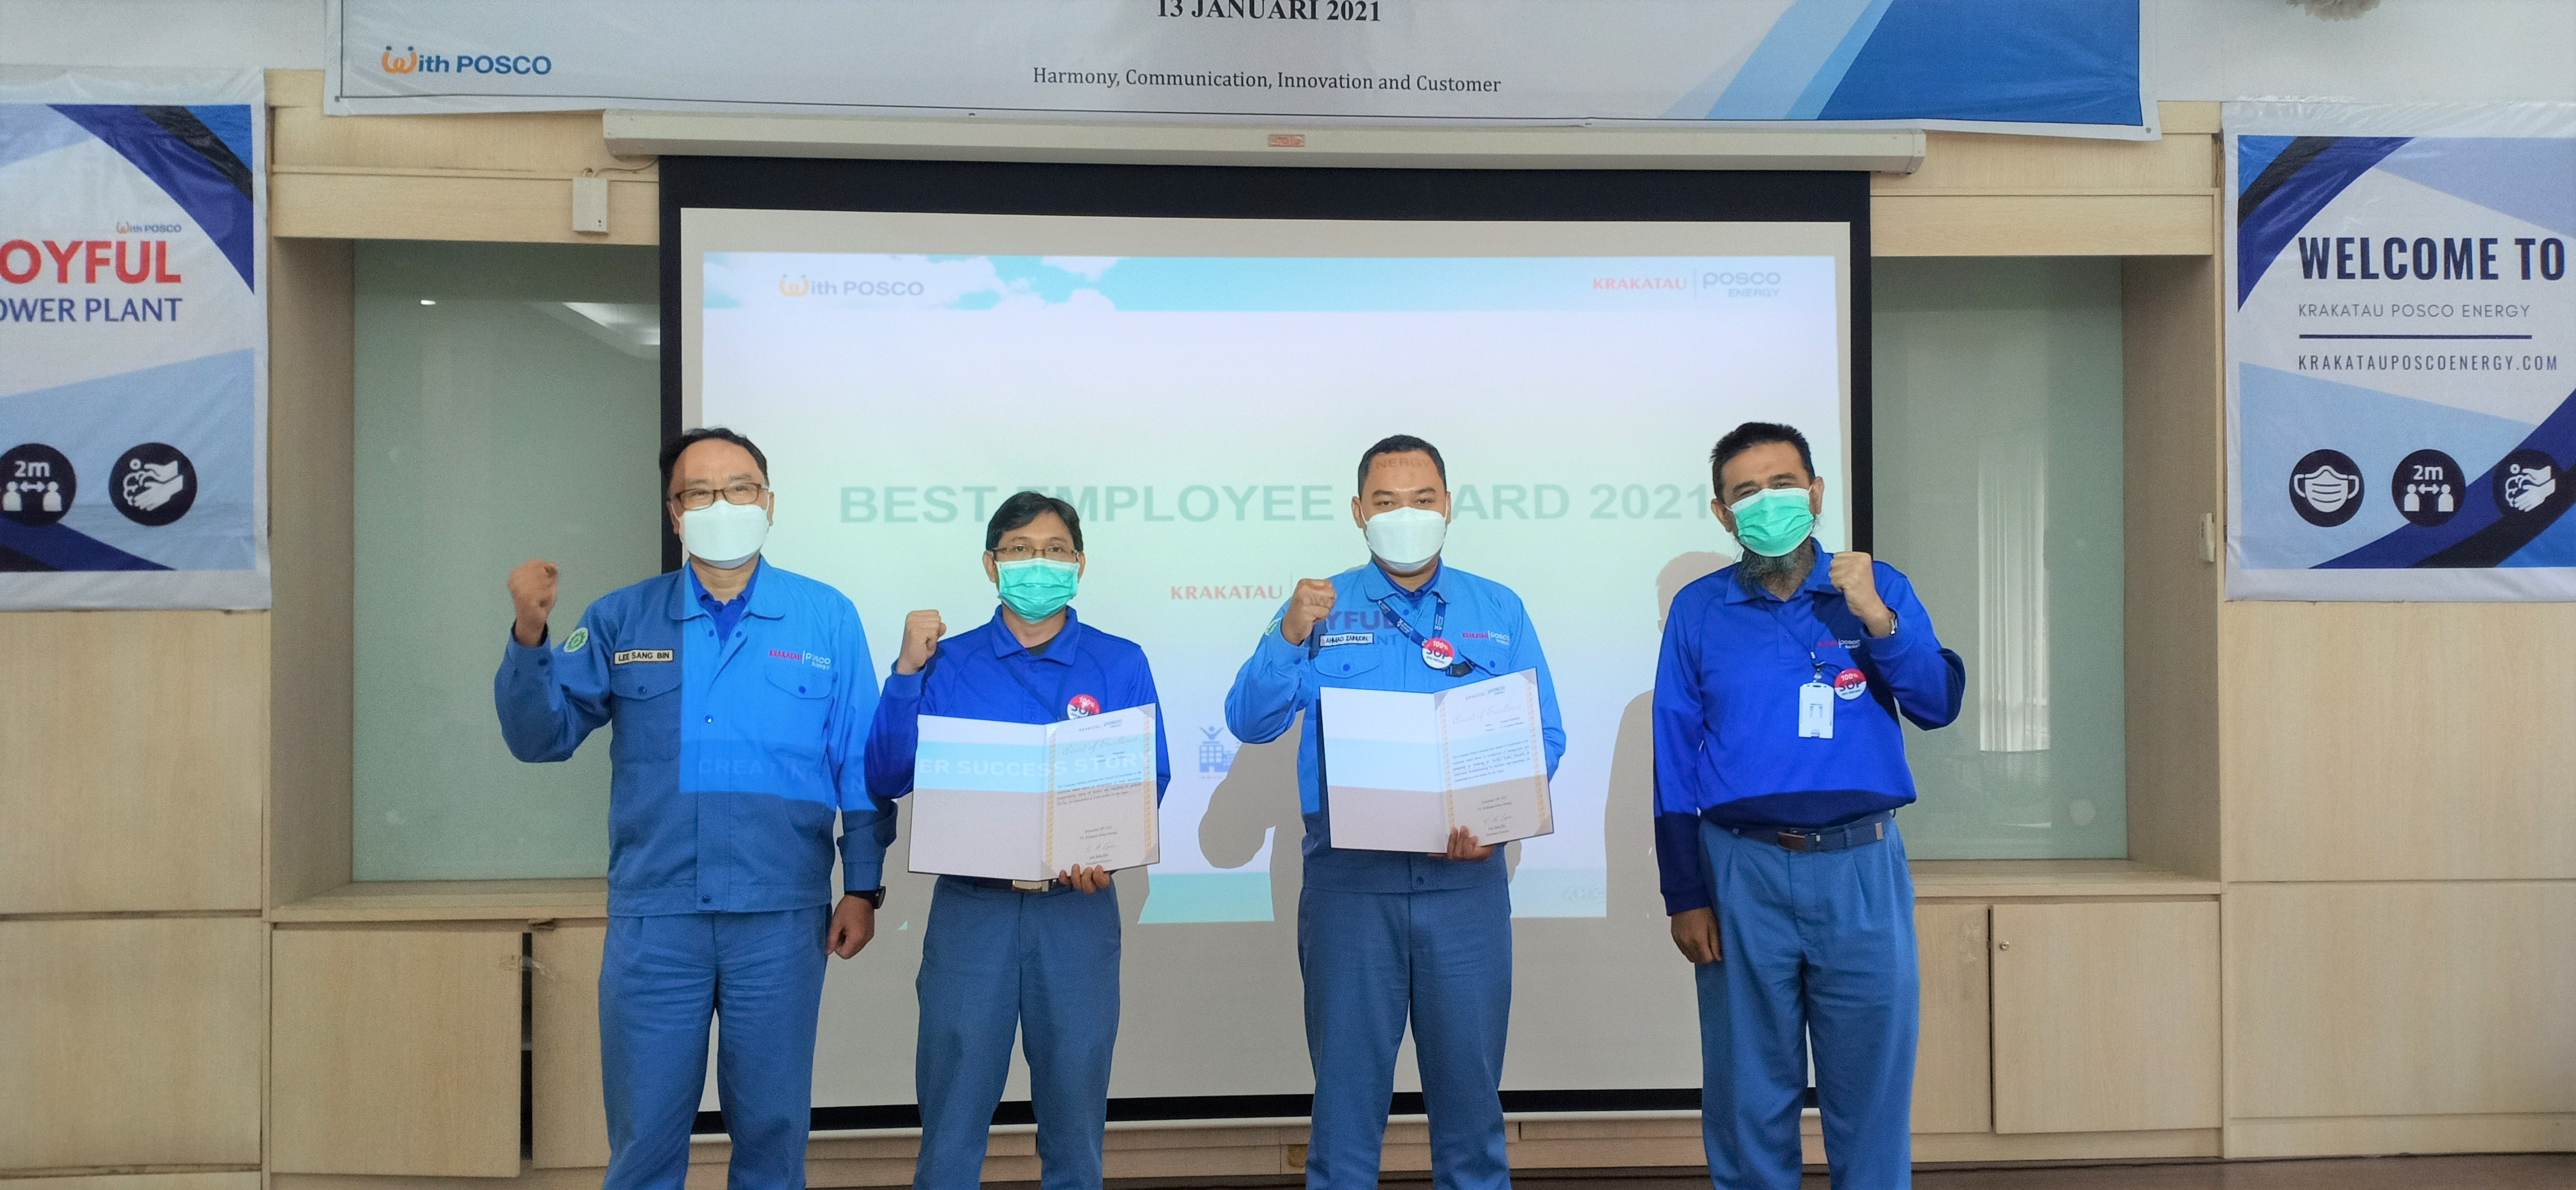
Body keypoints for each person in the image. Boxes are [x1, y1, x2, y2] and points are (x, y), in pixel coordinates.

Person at [495, 426, 887, 1190]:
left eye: (739, 489)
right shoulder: (621, 618)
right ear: (675, 513)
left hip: (780, 914)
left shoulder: (826, 617)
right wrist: (530, 635)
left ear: (769, 502)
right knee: (644, 1137)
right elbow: (540, 739)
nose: (722, 505)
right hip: (657, 915)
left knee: (772, 1134)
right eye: (700, 493)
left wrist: (864, 886)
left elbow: (858, 762)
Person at [1225, 435, 1565, 1190]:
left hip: (1466, 883)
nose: (1405, 515)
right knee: (1345, 1121)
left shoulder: (1498, 608)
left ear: (1448, 506)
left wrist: (1497, 817)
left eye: (1421, 500)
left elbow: (1543, 735)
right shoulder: (1318, 605)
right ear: (1358, 512)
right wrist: (1288, 633)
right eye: (1386, 502)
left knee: (1472, 1119)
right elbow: (1250, 720)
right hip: (1351, 885)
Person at [1652, 422, 1964, 1190]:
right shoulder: (1699, 609)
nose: (1767, 503)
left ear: (1817, 493)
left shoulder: (1876, 588)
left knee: (1871, 1090)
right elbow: (1673, 756)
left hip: (1861, 865)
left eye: (1784, 484)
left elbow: (1937, 704)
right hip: (1741, 869)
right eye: (1746, 493)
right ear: (1723, 513)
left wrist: (1876, 619)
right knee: (1749, 1094)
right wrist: (1684, 892)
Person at [865, 490, 1171, 1190]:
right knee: (952, 1121)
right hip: (974, 911)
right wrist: (906, 673)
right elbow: (885, 774)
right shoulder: (946, 661)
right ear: (991, 564)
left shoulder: (1120, 661)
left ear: (1080, 564)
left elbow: (1149, 776)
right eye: (1021, 550)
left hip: (1077, 912)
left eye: (1056, 550)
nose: (1040, 563)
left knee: (1075, 1122)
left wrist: (1111, 847)